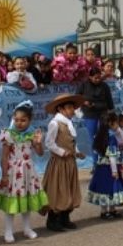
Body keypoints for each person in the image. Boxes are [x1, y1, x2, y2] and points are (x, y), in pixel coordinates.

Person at [0, 100, 48, 244]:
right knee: (12, 201)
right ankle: (8, 231)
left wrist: (39, 143)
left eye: (23, 120)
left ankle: (27, 228)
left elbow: (40, 153)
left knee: (26, 199)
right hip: (13, 172)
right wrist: (4, 175)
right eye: (16, 119)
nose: (19, 123)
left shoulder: (33, 134)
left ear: (30, 120)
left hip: (28, 171)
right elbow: (4, 156)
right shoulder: (9, 135)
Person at [42, 94, 86, 232]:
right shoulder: (55, 123)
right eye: (69, 108)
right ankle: (53, 220)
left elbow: (71, 142)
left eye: (73, 107)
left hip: (70, 162)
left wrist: (77, 152)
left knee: (69, 189)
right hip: (59, 163)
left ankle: (65, 218)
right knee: (58, 190)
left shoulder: (68, 123)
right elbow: (49, 143)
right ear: (60, 109)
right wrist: (62, 152)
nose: (72, 110)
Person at [86, 112, 123, 219]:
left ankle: (109, 210)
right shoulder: (111, 137)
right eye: (116, 122)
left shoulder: (104, 135)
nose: (118, 124)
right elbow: (112, 155)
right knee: (109, 188)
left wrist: (118, 130)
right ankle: (107, 210)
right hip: (109, 167)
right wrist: (115, 171)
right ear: (110, 123)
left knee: (105, 188)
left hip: (102, 166)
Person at [77, 67, 114, 159]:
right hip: (90, 114)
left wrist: (111, 113)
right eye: (95, 78)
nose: (98, 79)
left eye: (99, 77)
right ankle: (95, 163)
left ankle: (105, 160)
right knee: (92, 138)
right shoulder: (84, 85)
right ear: (90, 77)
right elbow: (77, 96)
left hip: (103, 114)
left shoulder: (104, 86)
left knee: (104, 137)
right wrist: (84, 102)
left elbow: (110, 101)